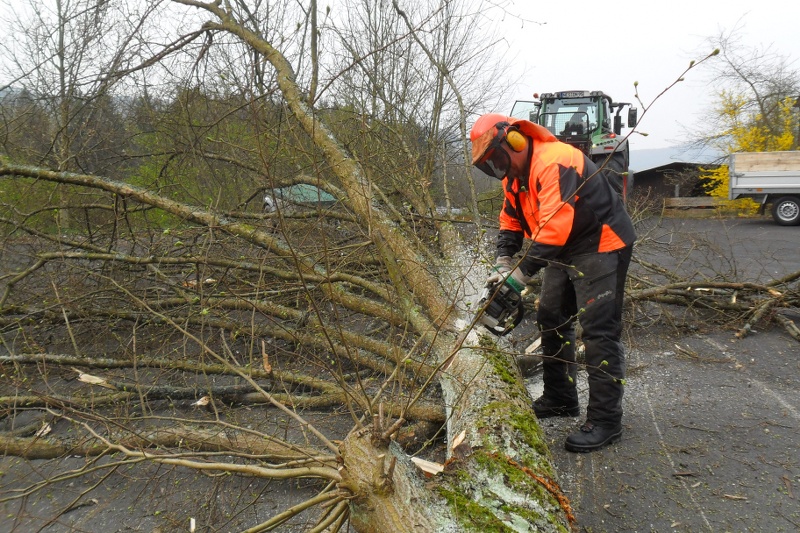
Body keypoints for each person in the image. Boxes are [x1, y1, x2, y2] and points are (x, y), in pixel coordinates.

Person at [470, 113, 636, 453]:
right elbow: (510, 221)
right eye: (490, 165)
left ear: (514, 140)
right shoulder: (514, 179)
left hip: (601, 241)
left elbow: (554, 229)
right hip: (565, 246)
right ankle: (561, 398)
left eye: (497, 159)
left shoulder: (554, 161)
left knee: (598, 329)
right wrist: (503, 262)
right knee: (551, 316)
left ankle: (606, 421)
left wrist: (519, 275)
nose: (498, 168)